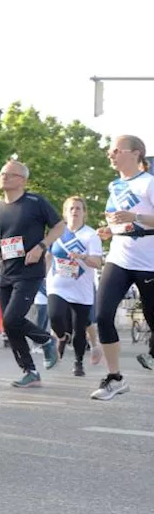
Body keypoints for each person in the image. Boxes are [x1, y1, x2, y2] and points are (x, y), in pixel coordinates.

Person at [0, 159, 65, 387]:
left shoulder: (36, 202)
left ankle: (46, 341)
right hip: (6, 272)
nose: (3, 176)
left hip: (29, 272)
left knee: (12, 318)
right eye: (2, 173)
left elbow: (59, 226)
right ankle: (30, 371)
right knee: (10, 325)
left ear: (22, 180)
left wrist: (41, 246)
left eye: (9, 174)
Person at [91, 135, 154, 401]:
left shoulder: (149, 183)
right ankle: (115, 378)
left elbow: (138, 218)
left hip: (149, 260)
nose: (111, 154)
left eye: (117, 150)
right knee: (103, 315)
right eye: (110, 150)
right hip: (119, 257)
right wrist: (110, 229)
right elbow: (120, 222)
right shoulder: (114, 185)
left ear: (136, 153)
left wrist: (135, 217)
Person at [45, 198, 103, 378]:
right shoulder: (57, 232)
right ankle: (62, 337)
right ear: (65, 212)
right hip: (58, 285)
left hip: (81, 288)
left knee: (80, 327)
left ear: (84, 213)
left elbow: (98, 262)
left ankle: (78, 362)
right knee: (54, 316)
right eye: (71, 208)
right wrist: (41, 276)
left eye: (78, 208)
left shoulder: (91, 235)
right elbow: (48, 256)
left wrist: (83, 257)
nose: (74, 211)